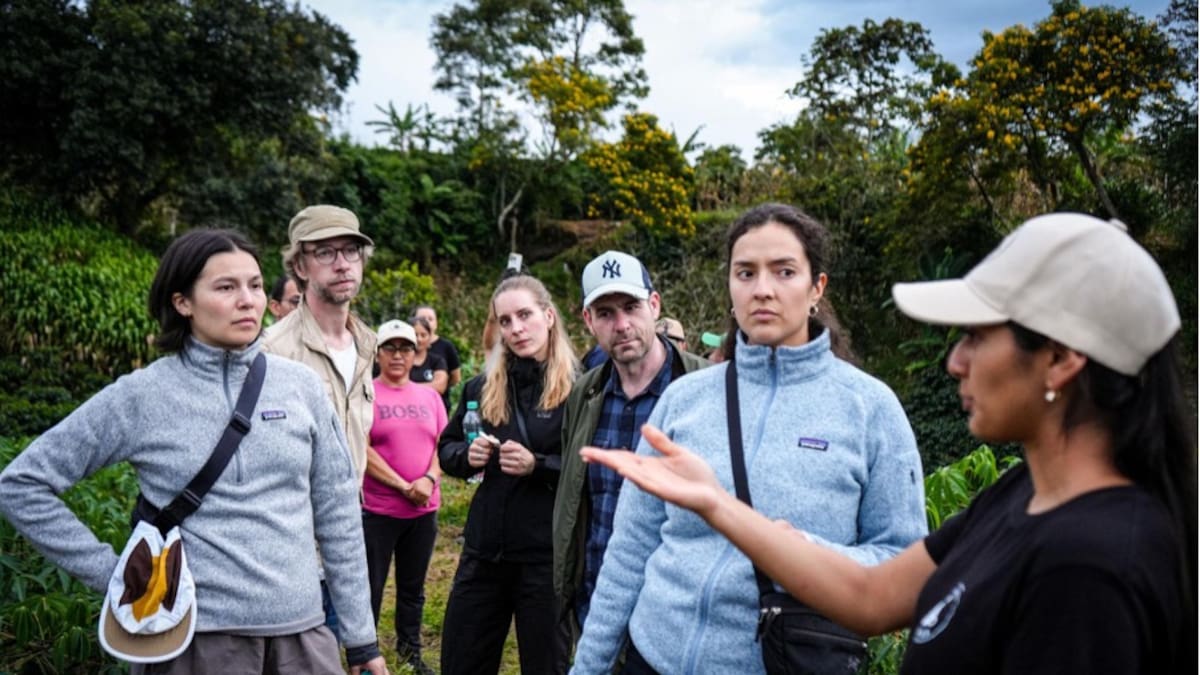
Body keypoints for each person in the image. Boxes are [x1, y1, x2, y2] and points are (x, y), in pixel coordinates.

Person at [583, 212, 1197, 674]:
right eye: (746, 272)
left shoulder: (1093, 567)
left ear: (1060, 359)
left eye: (977, 337)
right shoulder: (1017, 498)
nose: (954, 361)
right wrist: (717, 504)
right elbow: (873, 598)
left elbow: (887, 559)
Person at [0, 229, 387, 675]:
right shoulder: (143, 395)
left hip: (303, 638)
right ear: (183, 302)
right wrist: (115, 574)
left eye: (255, 285)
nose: (248, 300)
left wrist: (361, 639)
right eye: (226, 287)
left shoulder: (301, 386)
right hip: (193, 642)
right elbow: (21, 485)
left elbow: (338, 514)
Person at [571, 203, 928, 673]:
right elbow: (629, 552)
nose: (762, 289)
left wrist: (801, 547)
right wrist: (587, 667)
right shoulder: (684, 399)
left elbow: (902, 562)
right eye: (745, 273)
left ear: (817, 287)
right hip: (652, 659)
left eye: (784, 271)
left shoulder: (869, 408)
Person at [552, 251, 709, 643]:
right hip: (596, 605)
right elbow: (577, 501)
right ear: (588, 321)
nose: (621, 325)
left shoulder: (706, 387)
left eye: (631, 307)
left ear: (654, 305)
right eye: (605, 313)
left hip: (679, 614)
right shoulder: (585, 393)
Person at [438, 275, 577, 675]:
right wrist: (468, 456)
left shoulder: (580, 387)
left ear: (548, 316)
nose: (516, 328)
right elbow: (447, 449)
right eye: (505, 320)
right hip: (485, 553)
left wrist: (538, 465)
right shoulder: (481, 387)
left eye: (525, 315)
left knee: (546, 666)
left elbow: (590, 466)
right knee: (461, 663)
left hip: (545, 559)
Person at [262, 204, 377, 635]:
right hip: (290, 560)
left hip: (345, 549)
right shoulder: (272, 352)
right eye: (325, 252)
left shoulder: (366, 345)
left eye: (351, 250)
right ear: (300, 266)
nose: (342, 263)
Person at [363, 320, 447, 675]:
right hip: (379, 510)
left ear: (416, 354)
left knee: (413, 587)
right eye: (390, 348)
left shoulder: (430, 397)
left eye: (405, 349)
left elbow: (443, 444)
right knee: (370, 586)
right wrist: (402, 485)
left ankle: (409, 651)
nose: (398, 355)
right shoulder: (365, 394)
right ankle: (364, 654)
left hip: (424, 510)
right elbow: (361, 448)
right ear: (377, 354)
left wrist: (427, 479)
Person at [414, 304, 462, 412]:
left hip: (438, 405)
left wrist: (439, 383)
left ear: (436, 324)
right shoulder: (405, 350)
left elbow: (456, 377)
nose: (426, 322)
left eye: (430, 319)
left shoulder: (446, 347)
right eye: (422, 318)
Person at [406, 314, 449, 395]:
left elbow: (440, 387)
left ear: (430, 337)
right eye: (415, 335)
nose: (419, 339)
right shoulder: (399, 360)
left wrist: (407, 388)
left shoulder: (437, 361)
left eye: (423, 335)